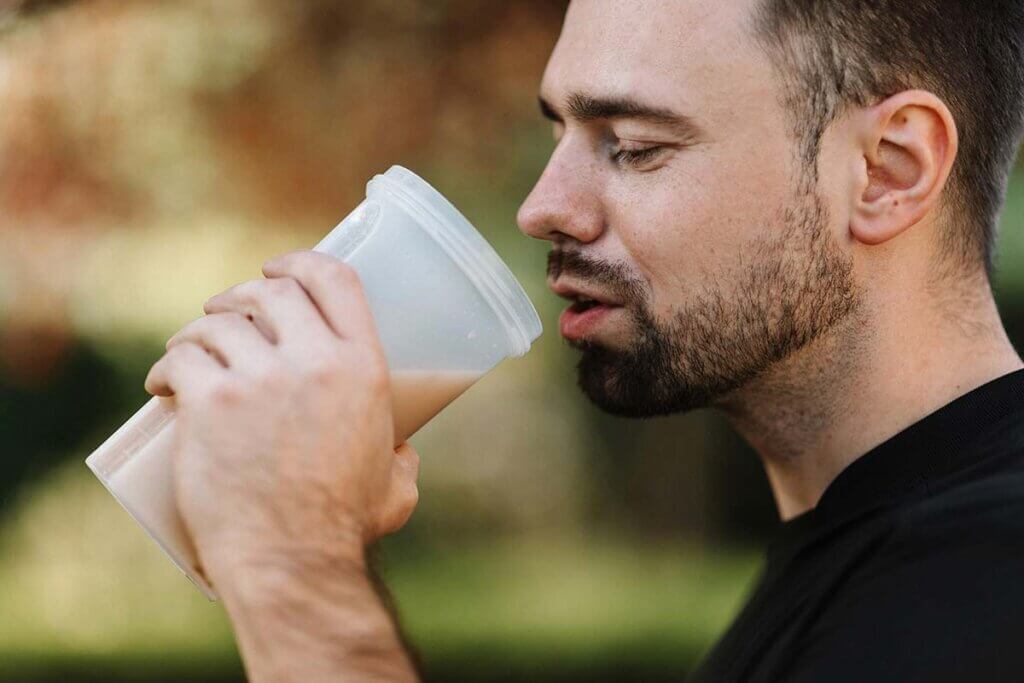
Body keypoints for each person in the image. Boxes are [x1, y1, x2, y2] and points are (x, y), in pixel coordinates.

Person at [143, 0, 1024, 681]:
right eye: (560, 132)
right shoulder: (863, 555)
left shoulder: (987, 577)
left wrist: (294, 566)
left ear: (887, 172)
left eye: (634, 146)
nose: (542, 207)